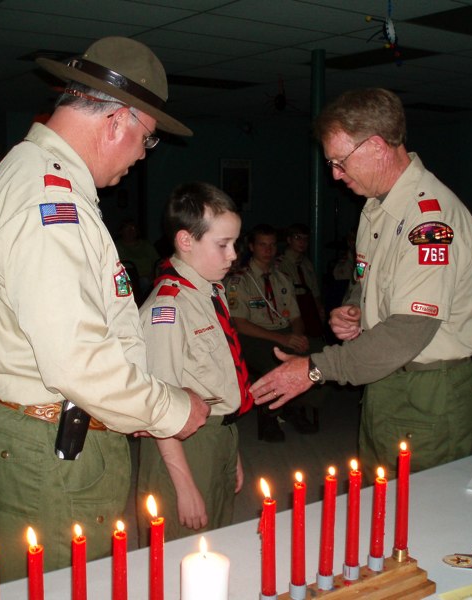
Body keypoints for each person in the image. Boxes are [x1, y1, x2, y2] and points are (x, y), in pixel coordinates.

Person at [0, 36, 210, 580]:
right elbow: (79, 362)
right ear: (116, 121)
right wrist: (172, 409)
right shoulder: (51, 200)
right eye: (147, 138)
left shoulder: (32, 171)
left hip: (36, 430)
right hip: (52, 448)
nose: (143, 154)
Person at [250, 88, 472, 480]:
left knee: (417, 507)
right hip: (384, 377)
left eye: (339, 162)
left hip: (427, 391)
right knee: (379, 499)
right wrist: (355, 309)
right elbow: (366, 281)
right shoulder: (376, 209)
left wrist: (314, 369)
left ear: (376, 146)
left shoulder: (430, 220)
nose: (335, 175)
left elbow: (408, 330)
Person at [137, 182, 252, 543]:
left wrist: (230, 450)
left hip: (218, 435)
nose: (233, 255)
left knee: (214, 538)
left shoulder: (210, 292)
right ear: (186, 240)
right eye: (223, 245)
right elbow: (159, 406)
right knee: (180, 547)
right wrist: (185, 486)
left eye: (235, 243)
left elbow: (220, 378)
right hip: (184, 446)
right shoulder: (167, 308)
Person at [226, 224, 321, 442]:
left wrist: (297, 337)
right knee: (274, 362)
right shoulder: (239, 281)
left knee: (319, 355)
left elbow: (296, 317)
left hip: (284, 333)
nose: (268, 250)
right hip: (253, 336)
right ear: (252, 247)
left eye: (272, 245)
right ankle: (270, 415)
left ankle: (293, 406)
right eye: (262, 245)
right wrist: (284, 339)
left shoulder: (282, 278)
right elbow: (240, 324)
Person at [276, 223, 326, 338]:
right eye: (297, 238)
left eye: (305, 239)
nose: (302, 242)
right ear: (289, 240)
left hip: (308, 308)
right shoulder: (279, 264)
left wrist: (319, 309)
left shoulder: (306, 263)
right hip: (291, 309)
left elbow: (314, 290)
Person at [114, 217, 159, 300]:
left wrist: (154, 274)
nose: (130, 231)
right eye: (127, 228)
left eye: (133, 228)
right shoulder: (116, 246)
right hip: (126, 282)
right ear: (121, 231)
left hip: (149, 280)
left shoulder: (146, 245)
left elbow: (158, 263)